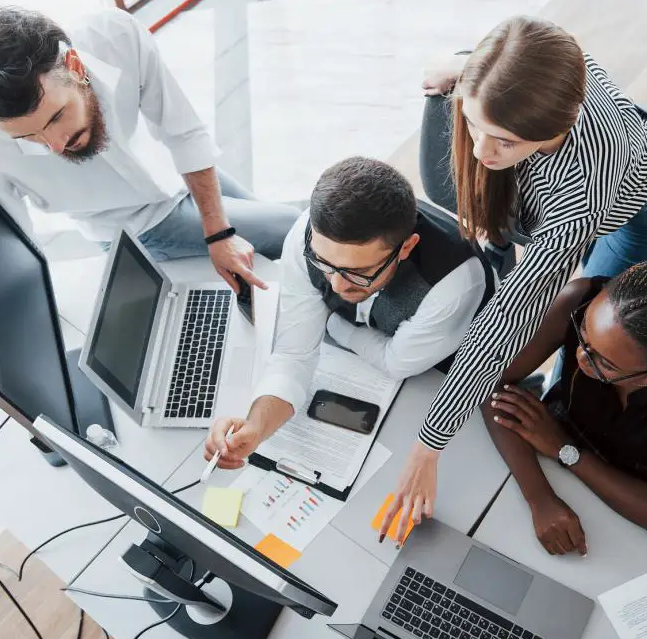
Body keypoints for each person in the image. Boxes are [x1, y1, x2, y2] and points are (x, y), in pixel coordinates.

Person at [381, 15, 647, 542]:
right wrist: (455, 69)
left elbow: (509, 317)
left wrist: (428, 446)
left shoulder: (577, 194)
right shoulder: (528, 61)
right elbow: (496, 68)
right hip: (569, 154)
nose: (482, 151)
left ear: (555, 128)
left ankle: (558, 398)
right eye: (473, 124)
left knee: (593, 327)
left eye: (502, 140)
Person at [0, 7, 299, 292]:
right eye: (26, 138)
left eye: (56, 118)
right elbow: (12, 245)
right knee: (291, 229)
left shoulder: (115, 37)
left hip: (174, 172)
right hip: (137, 225)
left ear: (75, 67)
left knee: (293, 240)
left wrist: (219, 233)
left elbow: (183, 131)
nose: (54, 145)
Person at [203, 157, 493, 469]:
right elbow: (293, 355)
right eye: (324, 263)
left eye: (359, 272)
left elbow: (396, 362)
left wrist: (332, 324)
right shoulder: (308, 236)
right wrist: (257, 427)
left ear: (406, 248)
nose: (337, 285)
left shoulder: (453, 286)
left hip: (448, 364)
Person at [484, 244, 647, 552]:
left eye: (604, 363)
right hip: (549, 453)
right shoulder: (579, 298)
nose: (579, 358)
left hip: (639, 502)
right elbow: (488, 380)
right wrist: (539, 497)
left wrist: (566, 450)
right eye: (583, 333)